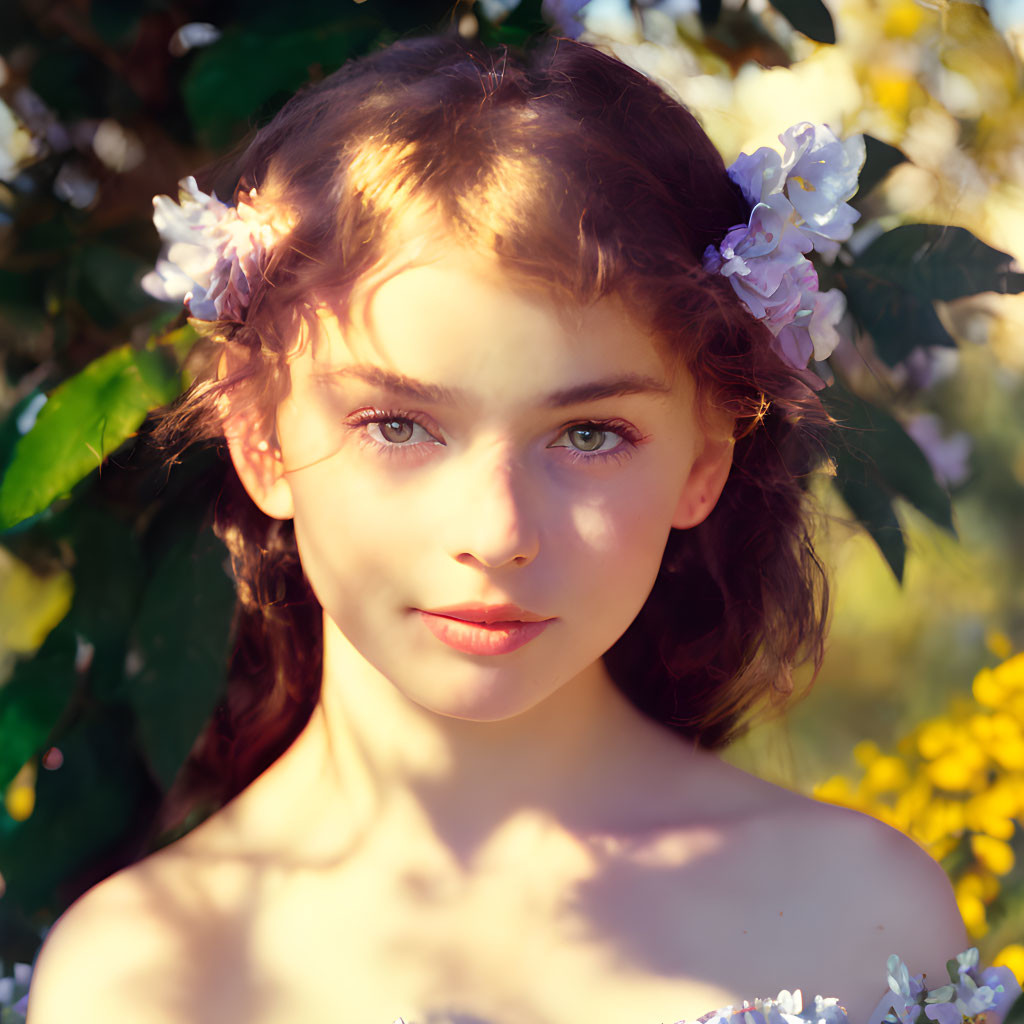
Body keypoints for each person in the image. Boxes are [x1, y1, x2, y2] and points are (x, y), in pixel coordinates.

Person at [23, 31, 995, 1024]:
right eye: (398, 424)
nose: (496, 533)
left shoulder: (865, 922)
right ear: (260, 436)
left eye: (587, 433)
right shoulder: (136, 979)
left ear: (705, 455)